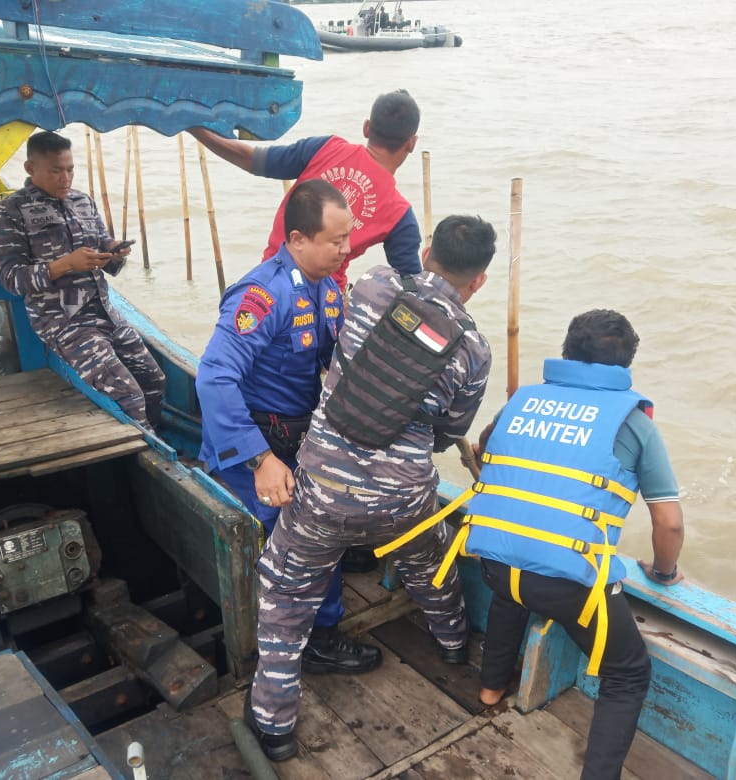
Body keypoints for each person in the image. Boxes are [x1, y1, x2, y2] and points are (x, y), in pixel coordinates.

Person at [242, 215, 497, 761]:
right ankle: (453, 644)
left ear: (428, 251)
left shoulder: (375, 285)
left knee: (286, 597)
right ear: (480, 281)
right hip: (403, 494)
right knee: (429, 566)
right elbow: (449, 433)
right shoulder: (474, 351)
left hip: (324, 487)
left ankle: (274, 726)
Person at [467, 309, 685, 780]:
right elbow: (667, 523)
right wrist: (665, 572)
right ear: (626, 363)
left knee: (512, 589)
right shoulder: (634, 422)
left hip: (494, 563)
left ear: (567, 351)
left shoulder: (522, 400)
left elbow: (487, 452)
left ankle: (489, 691)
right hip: (569, 586)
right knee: (627, 672)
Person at [195, 179, 382, 677]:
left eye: (348, 240)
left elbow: (332, 360)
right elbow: (214, 377)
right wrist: (262, 459)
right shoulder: (263, 294)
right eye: (335, 241)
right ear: (298, 239)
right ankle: (318, 638)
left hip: (297, 432)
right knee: (313, 535)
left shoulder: (325, 286)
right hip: (256, 442)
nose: (346, 251)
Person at [0, 131, 165, 431]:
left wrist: (113, 251)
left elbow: (100, 243)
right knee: (128, 396)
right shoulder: (9, 213)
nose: (65, 178)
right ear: (30, 169)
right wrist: (64, 265)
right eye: (56, 171)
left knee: (154, 379)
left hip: (105, 311)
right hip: (64, 321)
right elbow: (10, 278)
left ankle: (155, 439)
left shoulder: (82, 201)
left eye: (70, 170)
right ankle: (147, 456)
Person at [189, 89, 423, 292]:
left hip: (269, 283)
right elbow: (411, 289)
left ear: (366, 128)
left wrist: (194, 127)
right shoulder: (400, 215)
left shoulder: (325, 148)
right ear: (411, 143)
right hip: (324, 306)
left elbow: (252, 160)